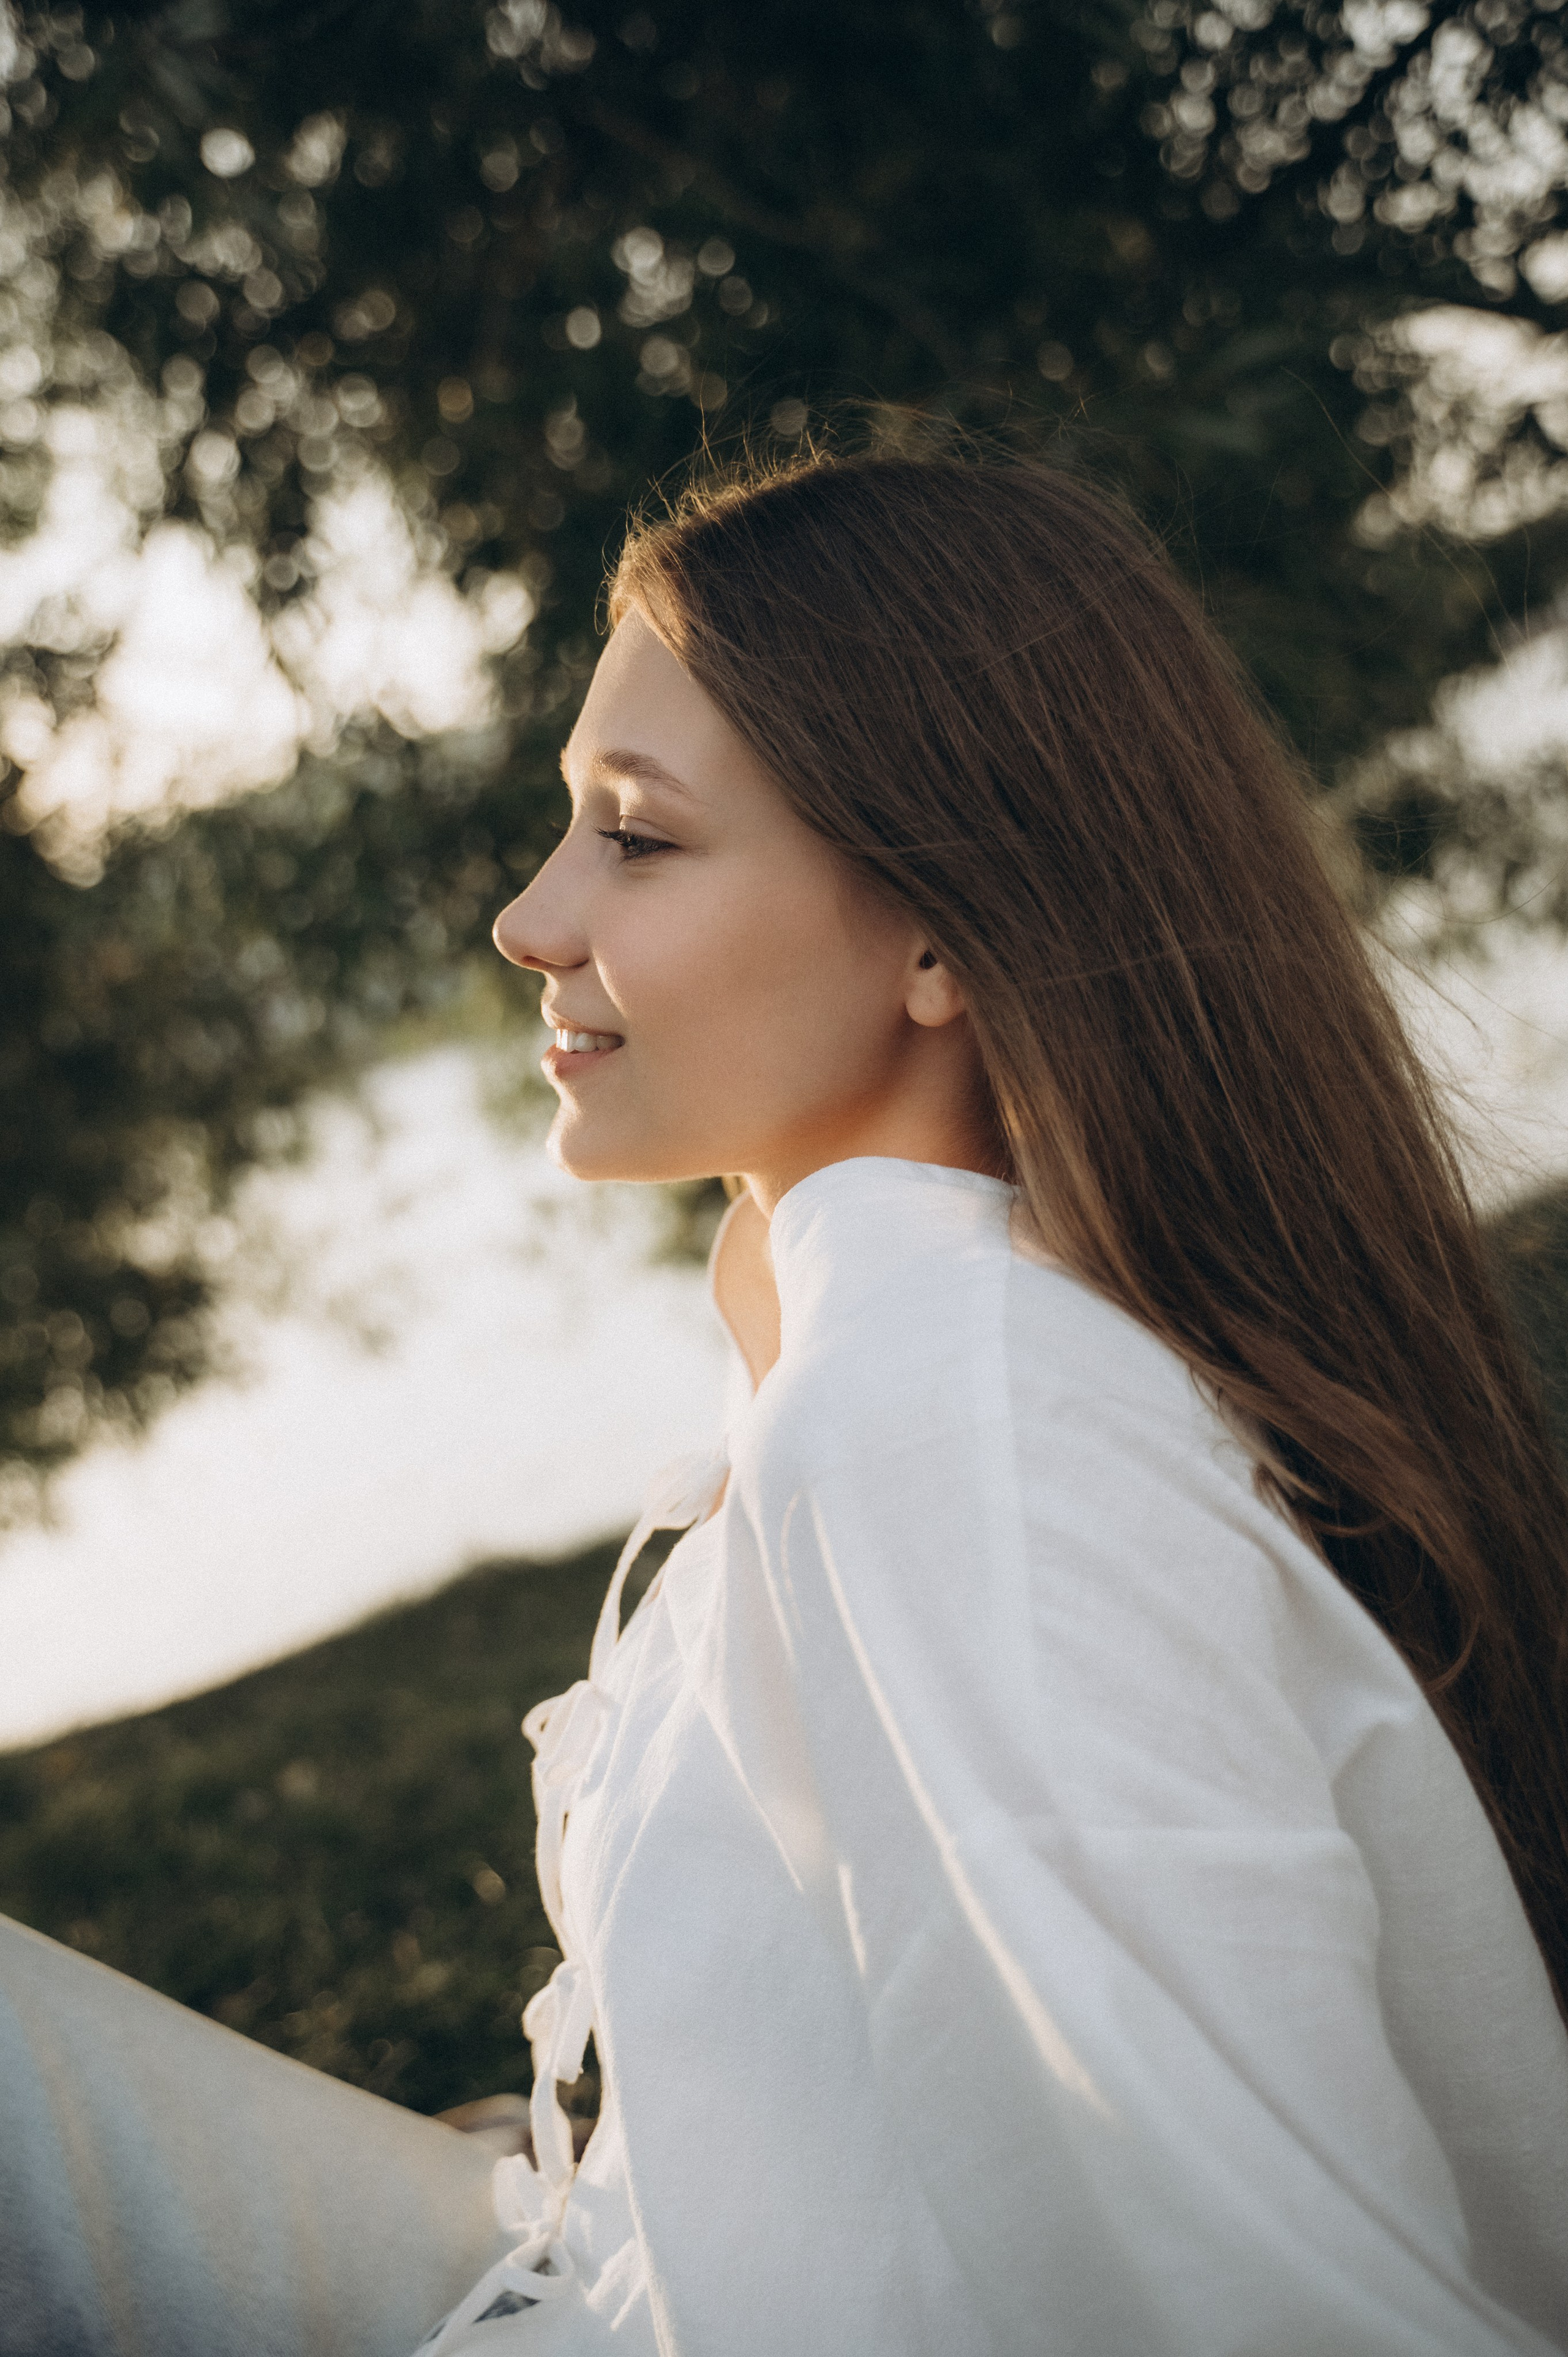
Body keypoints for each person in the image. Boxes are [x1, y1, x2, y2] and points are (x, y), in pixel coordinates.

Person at [4, 446, 1567, 2357]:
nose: (527, 919)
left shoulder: (948, 1419)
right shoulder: (931, 1353)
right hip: (615, 2255)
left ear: (939, 930)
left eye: (635, 841)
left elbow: (1271, 2299)